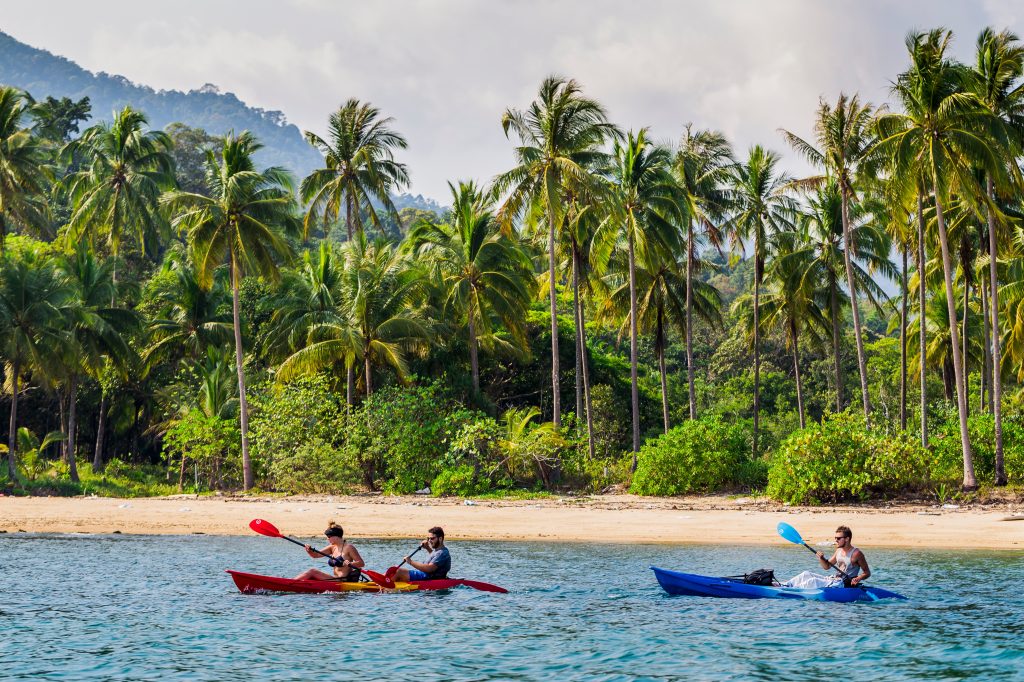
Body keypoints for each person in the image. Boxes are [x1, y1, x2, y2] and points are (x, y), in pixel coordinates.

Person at [785, 525, 871, 589]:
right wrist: (821, 558)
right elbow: (827, 566)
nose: (836, 540)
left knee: (813, 581)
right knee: (806, 574)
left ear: (847, 539)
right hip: (834, 579)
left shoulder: (857, 553)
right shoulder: (838, 551)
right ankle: (785, 585)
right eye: (835, 538)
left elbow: (867, 573)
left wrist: (858, 578)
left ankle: (791, 590)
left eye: (838, 538)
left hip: (843, 584)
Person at [293, 521, 365, 582]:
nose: (327, 539)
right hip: (334, 579)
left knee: (312, 571)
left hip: (342, 580)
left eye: (329, 537)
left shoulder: (349, 547)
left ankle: (290, 583)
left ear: (336, 536)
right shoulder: (332, 547)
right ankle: (292, 583)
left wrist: (350, 563)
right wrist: (309, 550)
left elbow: (361, 563)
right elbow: (316, 555)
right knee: (311, 577)